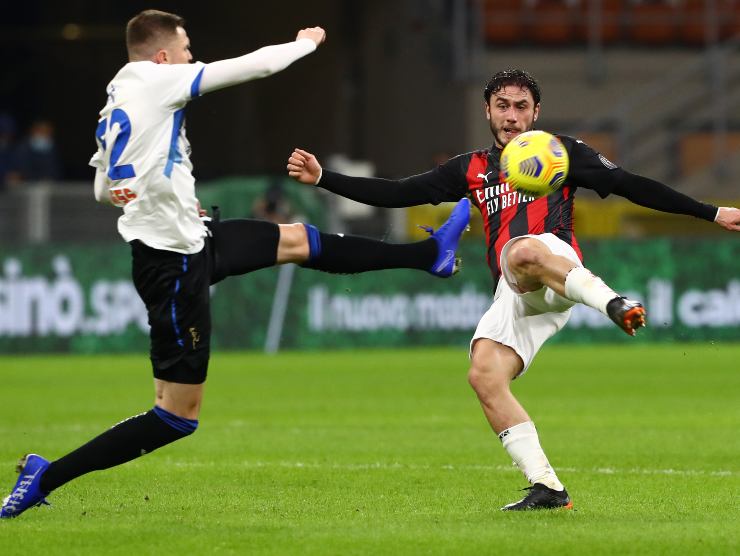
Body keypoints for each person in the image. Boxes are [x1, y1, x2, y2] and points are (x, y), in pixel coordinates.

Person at [0, 9, 472, 519]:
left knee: (298, 241)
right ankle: (46, 475)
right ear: (162, 57)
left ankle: (429, 255)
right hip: (174, 265)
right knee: (176, 416)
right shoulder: (161, 81)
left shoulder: (118, 94)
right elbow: (252, 67)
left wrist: (168, 200)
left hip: (189, 241)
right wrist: (304, 44)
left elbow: (102, 188)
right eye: (184, 48)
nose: (191, 57)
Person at [287, 69, 740, 511]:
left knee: (522, 249)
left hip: (557, 266)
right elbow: (398, 192)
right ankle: (547, 487)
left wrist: (710, 212)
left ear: (536, 112)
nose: (511, 116)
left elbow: (629, 185)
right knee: (484, 374)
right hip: (517, 294)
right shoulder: (472, 168)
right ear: (487, 110)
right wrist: (325, 177)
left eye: (521, 106)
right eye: (502, 105)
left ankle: (614, 302)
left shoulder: (562, 152)